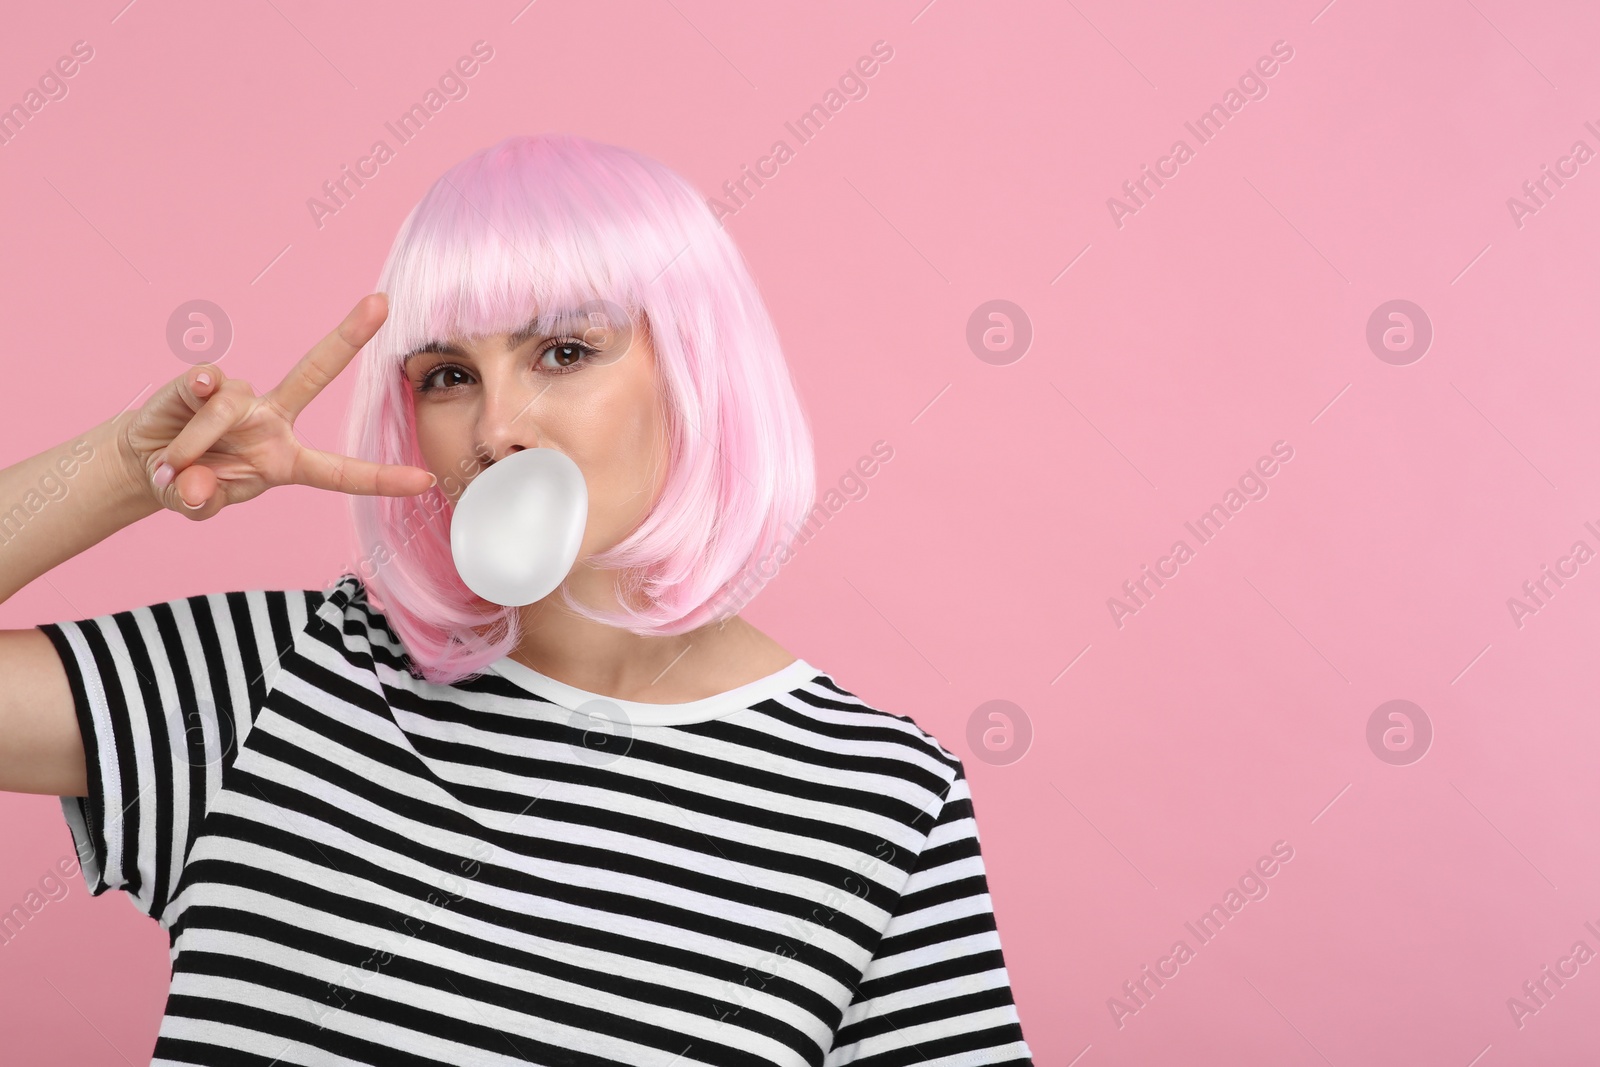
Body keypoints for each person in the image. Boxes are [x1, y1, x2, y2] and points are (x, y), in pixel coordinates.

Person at [0, 133, 1033, 1066]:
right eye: (447, 373)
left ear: (695, 372)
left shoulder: (880, 800)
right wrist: (121, 467)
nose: (495, 427)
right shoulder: (278, 678)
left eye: (564, 351)